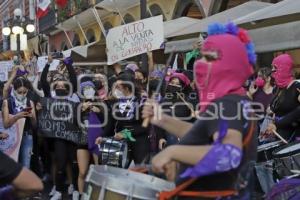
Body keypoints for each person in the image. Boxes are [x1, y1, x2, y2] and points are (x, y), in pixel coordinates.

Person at [142, 22, 257, 199]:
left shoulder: (227, 104)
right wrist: (162, 119)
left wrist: (172, 152)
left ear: (229, 65)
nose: (200, 64)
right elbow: (205, 135)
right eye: (201, 57)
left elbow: (228, 155)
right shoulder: (235, 99)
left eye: (209, 58)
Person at [96, 72, 150, 166]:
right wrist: (103, 137)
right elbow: (111, 123)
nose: (116, 89)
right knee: (117, 172)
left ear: (127, 86)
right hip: (120, 143)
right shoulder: (115, 103)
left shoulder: (142, 101)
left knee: (141, 173)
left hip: (139, 142)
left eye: (118, 86)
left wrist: (126, 133)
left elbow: (145, 126)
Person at [2, 77, 37, 169]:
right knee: (11, 165)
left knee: (26, 165)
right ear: (14, 90)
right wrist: (17, 116)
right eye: (19, 92)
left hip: (27, 135)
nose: (22, 94)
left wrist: (33, 117)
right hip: (11, 136)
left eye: (25, 92)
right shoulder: (7, 102)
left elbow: (34, 125)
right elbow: (6, 124)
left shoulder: (30, 102)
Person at [266, 54, 300, 142]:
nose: (273, 71)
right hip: (279, 135)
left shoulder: (297, 86)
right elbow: (277, 112)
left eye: (275, 68)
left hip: (293, 138)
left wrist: (278, 124)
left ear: (284, 68)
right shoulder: (277, 88)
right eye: (272, 67)